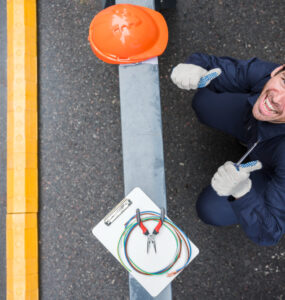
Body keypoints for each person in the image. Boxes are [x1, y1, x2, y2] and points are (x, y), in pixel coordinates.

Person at [170, 53, 285, 246]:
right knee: (205, 100)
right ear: (277, 70)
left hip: (273, 167)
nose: (277, 98)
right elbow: (216, 67)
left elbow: (269, 233)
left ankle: (255, 169)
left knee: (211, 209)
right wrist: (194, 68)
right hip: (255, 128)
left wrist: (243, 192)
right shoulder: (265, 74)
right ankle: (248, 140)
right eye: (284, 82)